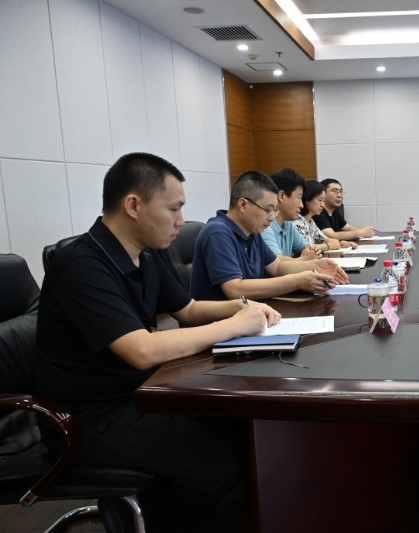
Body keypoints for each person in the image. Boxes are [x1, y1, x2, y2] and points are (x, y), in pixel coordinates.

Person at [34, 152, 282, 532]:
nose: (181, 221)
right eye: (173, 209)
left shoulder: (146, 256)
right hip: (89, 419)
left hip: (142, 393)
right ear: (133, 205)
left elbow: (189, 309)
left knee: (239, 427)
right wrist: (234, 325)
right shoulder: (81, 264)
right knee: (216, 464)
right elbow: (141, 350)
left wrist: (244, 306)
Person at [191, 171, 349, 301]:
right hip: (220, 323)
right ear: (243, 205)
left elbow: (277, 267)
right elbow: (234, 289)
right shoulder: (218, 232)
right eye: (268, 210)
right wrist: (296, 281)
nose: (272, 217)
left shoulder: (252, 232)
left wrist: (315, 265)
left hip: (250, 313)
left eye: (274, 210)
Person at [261, 168, 325, 260]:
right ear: (281, 196)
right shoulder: (265, 226)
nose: (302, 205)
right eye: (299, 197)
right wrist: (304, 259)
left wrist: (313, 251)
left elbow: (306, 248)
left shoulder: (288, 224)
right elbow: (277, 262)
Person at [294, 179, 358, 251]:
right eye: (320, 200)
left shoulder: (310, 221)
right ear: (307, 200)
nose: (323, 205)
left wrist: (340, 243)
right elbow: (308, 250)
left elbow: (331, 241)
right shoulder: (297, 222)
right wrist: (327, 246)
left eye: (323, 201)